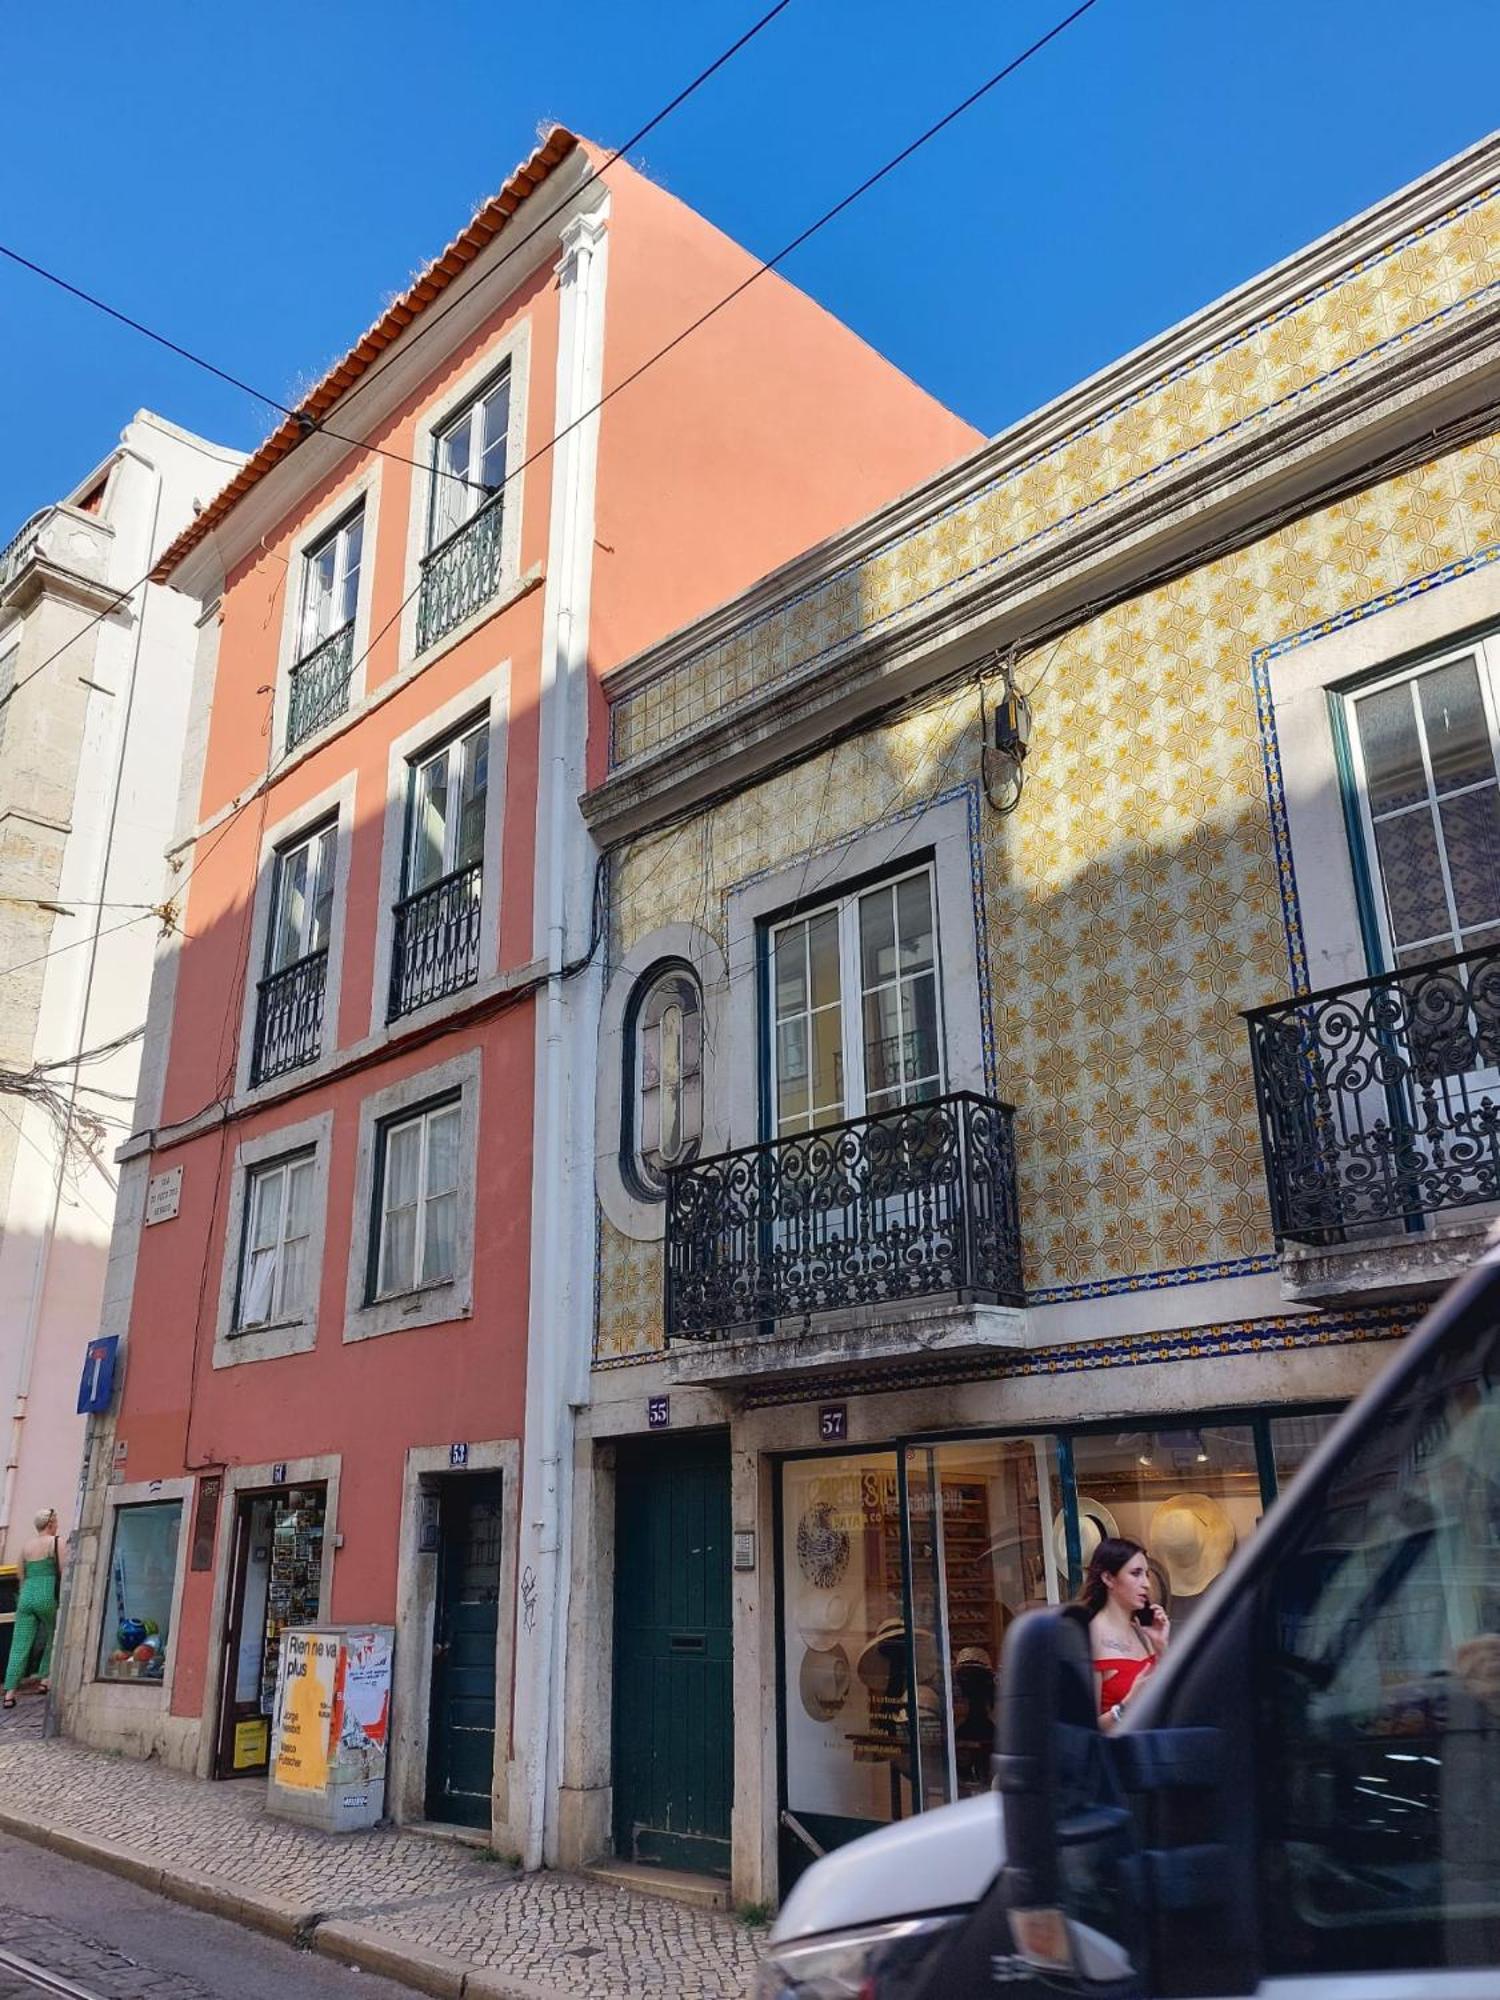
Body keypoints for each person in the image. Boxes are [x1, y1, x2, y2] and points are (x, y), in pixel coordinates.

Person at [1078, 1534, 1170, 1729]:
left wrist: (1161, 1648)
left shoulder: (1142, 1630)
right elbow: (1086, 1730)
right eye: (1136, 1573)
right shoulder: (1088, 1637)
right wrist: (1126, 1706)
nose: (1146, 1584)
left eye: (1146, 1574)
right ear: (1108, 1578)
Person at [3, 1508, 64, 1709]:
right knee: (53, 1634)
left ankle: (10, 1693)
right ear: (51, 1524)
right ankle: (45, 1678)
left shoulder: (26, 1546)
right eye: (56, 1522)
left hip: (26, 1595)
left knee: (19, 1644)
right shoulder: (56, 1542)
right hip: (47, 1594)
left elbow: (21, 1575)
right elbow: (63, 1571)